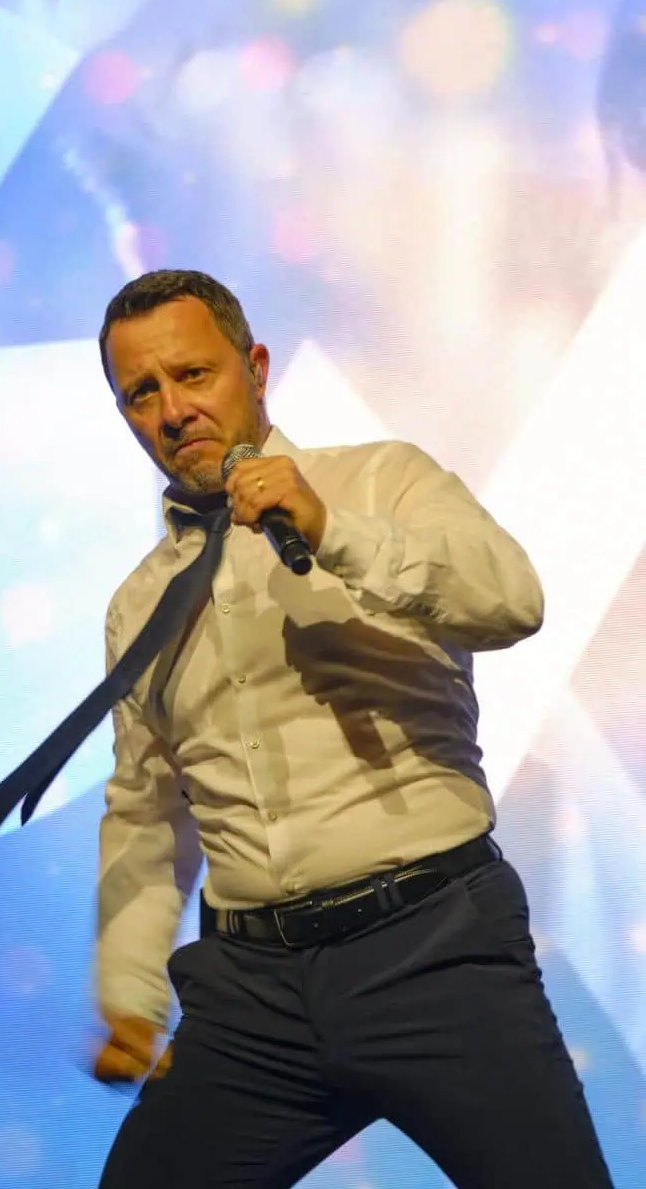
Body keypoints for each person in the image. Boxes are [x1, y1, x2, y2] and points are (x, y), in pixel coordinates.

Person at [90, 268, 613, 1189]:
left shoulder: (383, 480)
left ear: (256, 368)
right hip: (251, 997)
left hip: (432, 950)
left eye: (193, 374)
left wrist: (332, 529)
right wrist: (131, 993)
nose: (172, 411)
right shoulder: (139, 605)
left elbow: (512, 599)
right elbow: (145, 812)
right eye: (142, 392)